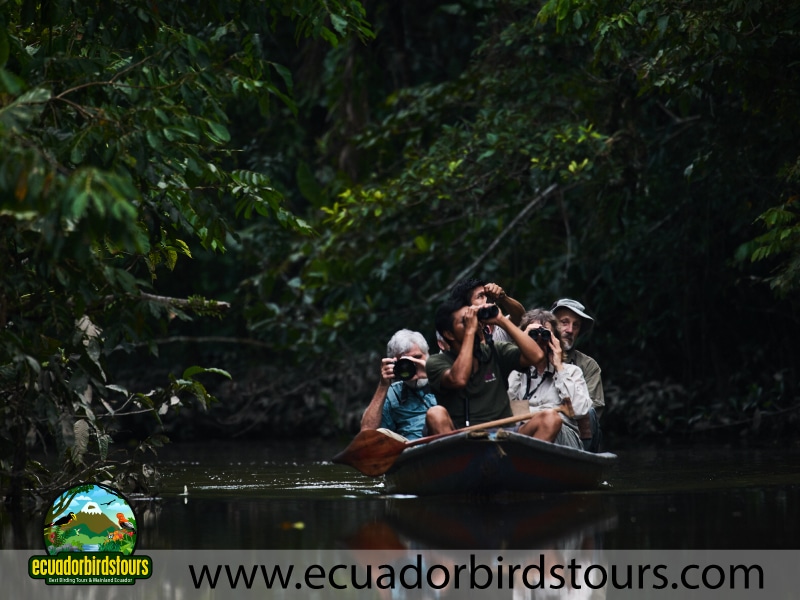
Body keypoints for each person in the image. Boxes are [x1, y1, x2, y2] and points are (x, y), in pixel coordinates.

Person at [425, 297, 545, 434]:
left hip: (505, 433)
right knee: (435, 414)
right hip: (464, 439)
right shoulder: (437, 362)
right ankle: (459, 456)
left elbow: (537, 357)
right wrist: (470, 331)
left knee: (549, 419)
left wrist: (501, 320)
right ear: (449, 334)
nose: (473, 323)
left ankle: (520, 456)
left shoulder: (494, 351)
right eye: (465, 321)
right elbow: (459, 379)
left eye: (473, 318)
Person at [507, 309, 592, 449]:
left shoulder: (572, 371)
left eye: (545, 335)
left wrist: (558, 367)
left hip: (563, 437)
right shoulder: (516, 373)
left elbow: (579, 410)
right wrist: (520, 355)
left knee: (550, 419)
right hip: (523, 433)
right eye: (533, 336)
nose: (539, 341)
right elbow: (502, 408)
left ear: (555, 340)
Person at [360, 329, 437, 441]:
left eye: (417, 357)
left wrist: (431, 373)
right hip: (411, 450)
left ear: (428, 354)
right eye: (406, 363)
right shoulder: (393, 393)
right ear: (394, 364)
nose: (413, 365)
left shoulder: (445, 377)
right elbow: (366, 433)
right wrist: (383, 386)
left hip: (445, 440)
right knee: (380, 434)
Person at [551, 298, 605, 452]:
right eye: (564, 322)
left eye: (576, 325)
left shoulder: (588, 366)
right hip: (539, 425)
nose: (569, 330)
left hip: (577, 434)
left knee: (589, 412)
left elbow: (592, 411)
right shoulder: (533, 358)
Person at [448, 278, 526, 342]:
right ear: (466, 307)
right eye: (480, 296)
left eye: (487, 295)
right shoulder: (457, 340)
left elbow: (521, 318)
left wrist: (503, 297)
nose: (487, 299)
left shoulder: (500, 325)